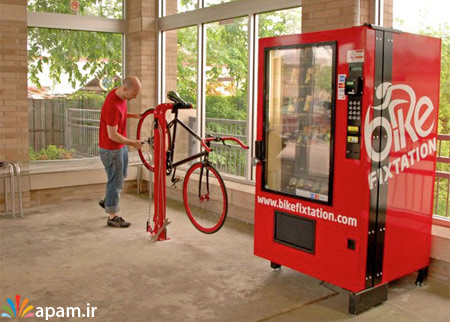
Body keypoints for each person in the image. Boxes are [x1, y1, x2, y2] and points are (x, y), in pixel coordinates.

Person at [98, 76, 142, 228]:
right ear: (124, 89)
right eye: (134, 94)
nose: (134, 97)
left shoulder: (119, 96)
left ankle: (108, 201)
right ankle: (112, 216)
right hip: (110, 149)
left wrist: (131, 115)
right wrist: (133, 143)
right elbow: (113, 135)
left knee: (121, 175)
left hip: (118, 147)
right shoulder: (112, 105)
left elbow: (119, 115)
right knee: (115, 181)